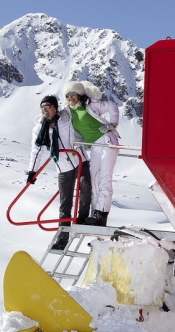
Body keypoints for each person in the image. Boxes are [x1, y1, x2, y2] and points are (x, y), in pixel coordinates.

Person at [27, 95, 91, 250]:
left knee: (86, 187)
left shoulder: (66, 118)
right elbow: (37, 150)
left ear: (55, 107)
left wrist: (82, 98)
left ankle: (82, 219)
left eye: (48, 106)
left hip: (79, 159)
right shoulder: (39, 128)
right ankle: (62, 238)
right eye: (42, 106)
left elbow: (76, 107)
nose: (44, 109)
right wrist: (32, 171)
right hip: (63, 167)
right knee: (65, 203)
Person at [59, 81, 120, 226]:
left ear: (79, 93)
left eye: (73, 93)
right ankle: (94, 214)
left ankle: (101, 214)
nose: (70, 97)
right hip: (95, 147)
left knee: (104, 179)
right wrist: (61, 114)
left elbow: (112, 105)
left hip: (107, 141)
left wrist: (112, 124)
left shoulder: (90, 103)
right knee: (94, 180)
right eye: (67, 95)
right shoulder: (69, 111)